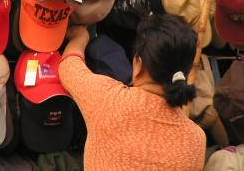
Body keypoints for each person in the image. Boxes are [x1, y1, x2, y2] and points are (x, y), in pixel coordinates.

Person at [59, 13, 206, 171]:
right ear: (187, 72)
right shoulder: (195, 140)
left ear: (138, 64)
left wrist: (80, 37)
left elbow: (69, 66)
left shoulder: (108, 101)